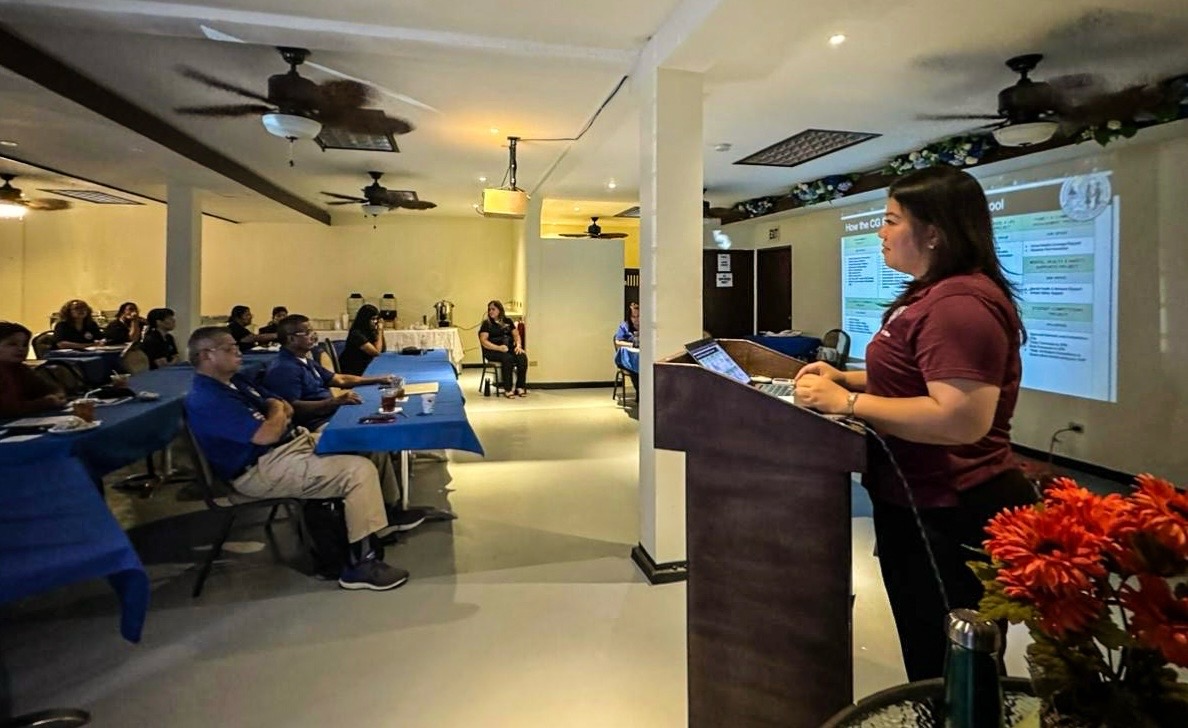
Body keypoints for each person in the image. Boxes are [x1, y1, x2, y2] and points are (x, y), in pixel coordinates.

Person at [793, 166, 1036, 682]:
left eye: (890, 220)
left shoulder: (959, 306)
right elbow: (916, 379)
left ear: (934, 232)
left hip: (948, 506)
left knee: (950, 664)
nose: (879, 232)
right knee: (929, 652)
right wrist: (848, 379)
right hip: (917, 499)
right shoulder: (932, 294)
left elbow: (960, 418)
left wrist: (847, 403)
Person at [183, 326, 408, 591]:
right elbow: (268, 432)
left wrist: (276, 411)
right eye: (230, 348)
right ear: (206, 355)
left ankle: (384, 521)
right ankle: (361, 564)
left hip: (291, 445)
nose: (238, 352)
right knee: (358, 471)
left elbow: (284, 406)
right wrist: (276, 411)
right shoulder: (208, 398)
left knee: (366, 442)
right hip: (261, 468)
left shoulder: (237, 381)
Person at [262, 314, 424, 530]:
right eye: (307, 332)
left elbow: (339, 379)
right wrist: (333, 402)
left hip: (333, 414)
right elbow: (293, 407)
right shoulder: (284, 368)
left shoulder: (304, 360)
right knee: (373, 444)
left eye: (313, 331)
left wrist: (378, 379)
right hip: (315, 426)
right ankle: (387, 511)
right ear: (291, 339)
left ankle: (389, 505)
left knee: (380, 427)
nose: (314, 335)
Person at [0, 322, 66, 417]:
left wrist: (58, 394)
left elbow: (47, 388)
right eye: (12, 344)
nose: (21, 349)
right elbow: (8, 408)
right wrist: (47, 402)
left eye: (25, 345)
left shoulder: (21, 369)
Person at [479, 300, 528, 398]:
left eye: (493, 309)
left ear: (499, 310)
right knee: (508, 358)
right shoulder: (486, 324)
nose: (490, 311)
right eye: (489, 309)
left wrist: (518, 345)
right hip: (492, 350)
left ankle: (520, 387)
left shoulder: (508, 321)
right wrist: (499, 348)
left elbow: (516, 335)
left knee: (522, 357)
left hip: (508, 348)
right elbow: (484, 341)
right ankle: (508, 389)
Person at [339, 304, 386, 377]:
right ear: (365, 319)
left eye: (377, 319)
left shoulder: (369, 332)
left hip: (362, 368)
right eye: (373, 319)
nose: (375, 322)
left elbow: (383, 349)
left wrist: (380, 331)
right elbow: (376, 352)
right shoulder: (356, 334)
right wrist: (379, 330)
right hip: (351, 372)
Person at [613, 302, 641, 393]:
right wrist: (632, 344)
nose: (636, 319)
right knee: (634, 369)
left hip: (642, 359)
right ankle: (639, 392)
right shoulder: (624, 326)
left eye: (638, 316)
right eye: (633, 317)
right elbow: (618, 342)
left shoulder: (647, 327)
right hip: (627, 359)